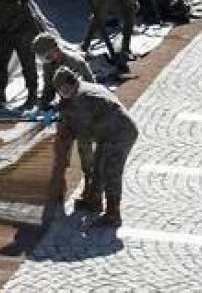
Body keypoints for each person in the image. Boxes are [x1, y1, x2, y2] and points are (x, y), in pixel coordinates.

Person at [52, 67, 138, 227]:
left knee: (111, 171)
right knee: (99, 165)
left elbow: (84, 140)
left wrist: (85, 169)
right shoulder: (80, 88)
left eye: (60, 90)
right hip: (106, 133)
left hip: (120, 134)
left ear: (67, 85)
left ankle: (113, 213)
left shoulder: (82, 98)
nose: (59, 94)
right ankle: (94, 200)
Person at [31, 32, 96, 206]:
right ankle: (58, 189)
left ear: (54, 50)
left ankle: (91, 190)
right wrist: (41, 107)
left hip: (84, 113)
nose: (44, 59)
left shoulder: (75, 63)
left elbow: (80, 93)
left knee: (86, 153)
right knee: (60, 151)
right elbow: (48, 90)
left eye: (45, 55)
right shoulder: (49, 66)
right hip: (66, 115)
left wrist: (57, 109)